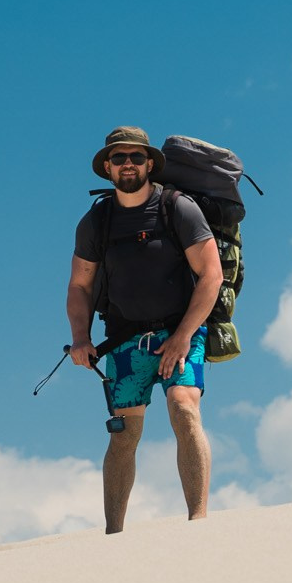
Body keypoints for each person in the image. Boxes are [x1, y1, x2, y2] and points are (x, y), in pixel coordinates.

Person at [66, 125, 223, 533]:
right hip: (123, 339)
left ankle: (199, 524)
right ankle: (114, 535)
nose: (128, 164)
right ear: (108, 168)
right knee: (124, 433)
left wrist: (184, 335)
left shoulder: (178, 208)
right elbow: (80, 285)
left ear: (150, 163)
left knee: (185, 408)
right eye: (119, 158)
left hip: (181, 330)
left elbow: (211, 275)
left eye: (136, 156)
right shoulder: (97, 222)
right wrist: (81, 338)